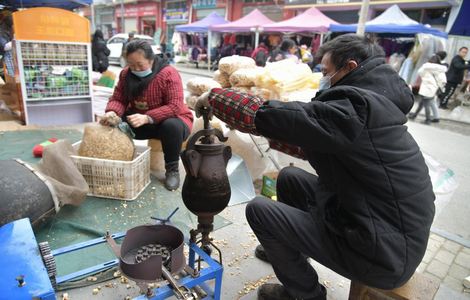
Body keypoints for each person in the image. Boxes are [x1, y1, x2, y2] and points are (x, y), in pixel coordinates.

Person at [195, 34, 435, 300]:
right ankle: (292, 250)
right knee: (290, 178)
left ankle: (306, 294)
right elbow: (309, 137)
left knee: (260, 210)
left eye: (326, 71)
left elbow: (274, 116)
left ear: (351, 67)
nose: (323, 77)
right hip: (378, 225)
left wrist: (216, 99)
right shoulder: (375, 101)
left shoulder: (356, 109)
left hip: (381, 253)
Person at [101, 40, 193, 191]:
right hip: (141, 121)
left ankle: (172, 170)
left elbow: (175, 106)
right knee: (113, 123)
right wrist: (112, 112)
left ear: (151, 59)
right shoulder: (125, 74)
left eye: (140, 64)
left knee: (171, 126)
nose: (136, 69)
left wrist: (147, 117)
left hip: (172, 121)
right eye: (131, 64)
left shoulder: (168, 73)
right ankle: (119, 162)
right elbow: (119, 99)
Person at [409, 55, 447, 124]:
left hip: (425, 88)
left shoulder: (425, 67)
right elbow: (443, 80)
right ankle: (415, 115)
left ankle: (428, 120)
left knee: (426, 104)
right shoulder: (441, 69)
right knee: (422, 103)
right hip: (433, 89)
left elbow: (420, 73)